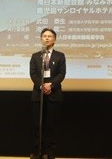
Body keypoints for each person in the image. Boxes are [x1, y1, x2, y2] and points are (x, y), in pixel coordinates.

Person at [30, 28, 66, 159]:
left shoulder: (60, 56)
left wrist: (50, 85)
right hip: (38, 94)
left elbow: (62, 73)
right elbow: (33, 73)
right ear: (41, 39)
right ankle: (37, 151)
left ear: (54, 40)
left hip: (53, 94)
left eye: (49, 36)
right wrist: (41, 86)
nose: (46, 38)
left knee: (51, 125)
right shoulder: (35, 56)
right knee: (37, 124)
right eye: (44, 36)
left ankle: (50, 153)